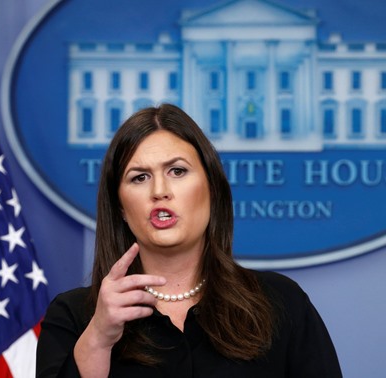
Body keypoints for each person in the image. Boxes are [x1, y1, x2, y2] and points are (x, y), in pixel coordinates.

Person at [36, 104, 342, 377]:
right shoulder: (74, 316)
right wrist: (99, 338)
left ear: (212, 189)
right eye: (139, 177)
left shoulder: (281, 302)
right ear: (121, 209)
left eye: (177, 171)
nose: (159, 190)